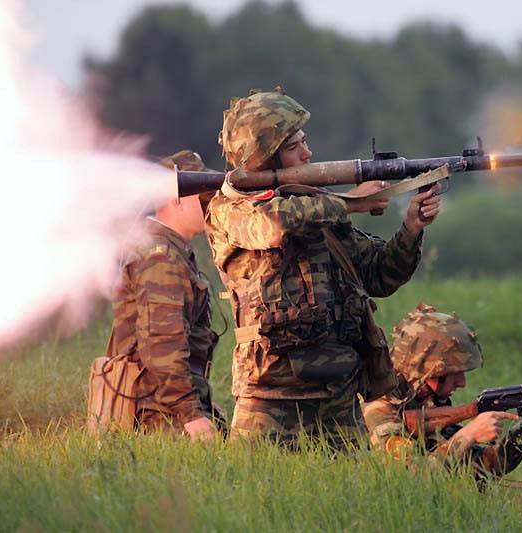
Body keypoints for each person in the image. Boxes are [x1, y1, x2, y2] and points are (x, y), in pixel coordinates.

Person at [205, 87, 442, 446]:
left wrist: (411, 228)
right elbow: (273, 225)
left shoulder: (315, 205)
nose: (307, 153)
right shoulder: (229, 210)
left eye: (305, 141)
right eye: (293, 146)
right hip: (269, 397)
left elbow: (379, 275)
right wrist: (349, 202)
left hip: (339, 396)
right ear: (264, 159)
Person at [362, 304, 522, 479]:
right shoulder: (380, 406)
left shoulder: (425, 402)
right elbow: (409, 480)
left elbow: (487, 467)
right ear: (427, 370)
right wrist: (467, 435)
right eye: (455, 373)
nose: (462, 382)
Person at [109, 150, 226, 441]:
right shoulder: (161, 257)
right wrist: (192, 416)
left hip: (164, 410)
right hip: (158, 419)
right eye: (203, 196)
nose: (212, 204)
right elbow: (163, 344)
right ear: (177, 199)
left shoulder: (171, 250)